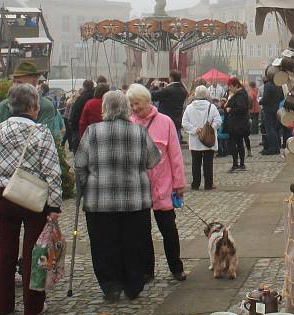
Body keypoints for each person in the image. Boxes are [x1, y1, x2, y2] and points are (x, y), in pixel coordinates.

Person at [74, 91, 161, 301]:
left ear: (105, 108)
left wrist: (87, 185)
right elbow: (153, 160)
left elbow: (79, 165)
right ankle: (133, 285)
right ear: (127, 108)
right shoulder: (139, 132)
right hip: (135, 200)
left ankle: (110, 285)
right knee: (134, 243)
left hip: (99, 202)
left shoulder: (92, 132)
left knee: (103, 245)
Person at [0, 84, 63, 315]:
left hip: (3, 195)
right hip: (32, 198)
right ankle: (33, 307)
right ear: (34, 106)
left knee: (4, 252)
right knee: (34, 252)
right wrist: (54, 204)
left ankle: (3, 307)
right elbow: (52, 171)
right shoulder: (40, 132)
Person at [127, 84, 187, 282]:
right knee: (142, 232)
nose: (135, 108)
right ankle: (147, 270)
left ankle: (176, 267)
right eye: (132, 104)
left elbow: (175, 155)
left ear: (148, 102)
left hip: (164, 184)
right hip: (140, 186)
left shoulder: (165, 121)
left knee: (168, 229)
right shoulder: (129, 124)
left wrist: (179, 183)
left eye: (138, 104)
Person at [0, 62, 61, 140]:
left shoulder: (46, 106)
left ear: (34, 83)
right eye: (14, 82)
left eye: (19, 83)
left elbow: (46, 137)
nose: (15, 86)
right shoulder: (4, 105)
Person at [182, 85, 222, 190]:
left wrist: (195, 129)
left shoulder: (189, 108)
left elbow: (184, 123)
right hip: (208, 140)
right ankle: (208, 184)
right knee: (208, 163)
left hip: (195, 140)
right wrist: (209, 129)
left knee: (196, 163)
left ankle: (195, 184)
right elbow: (218, 121)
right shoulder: (211, 107)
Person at [151, 70, 189, 142]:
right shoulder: (183, 91)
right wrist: (167, 86)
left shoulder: (167, 90)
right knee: (176, 144)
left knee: (165, 143)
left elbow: (152, 96)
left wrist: (154, 87)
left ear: (171, 78)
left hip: (165, 121)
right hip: (177, 120)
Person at [225, 77, 250, 172]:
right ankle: (241, 164)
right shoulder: (239, 94)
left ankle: (236, 164)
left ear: (235, 85)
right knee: (239, 143)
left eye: (230, 86)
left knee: (233, 144)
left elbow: (242, 108)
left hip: (237, 124)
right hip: (238, 124)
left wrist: (231, 109)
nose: (229, 88)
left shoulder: (240, 95)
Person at [68, 79, 95, 152]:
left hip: (79, 129)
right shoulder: (95, 98)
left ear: (84, 87)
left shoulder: (81, 99)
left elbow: (74, 115)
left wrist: (73, 126)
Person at [260, 77, 284, 155]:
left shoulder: (268, 85)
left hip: (268, 110)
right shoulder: (278, 84)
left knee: (270, 129)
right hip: (276, 108)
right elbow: (282, 97)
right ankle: (276, 148)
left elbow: (265, 98)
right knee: (274, 129)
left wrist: (260, 101)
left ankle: (272, 148)